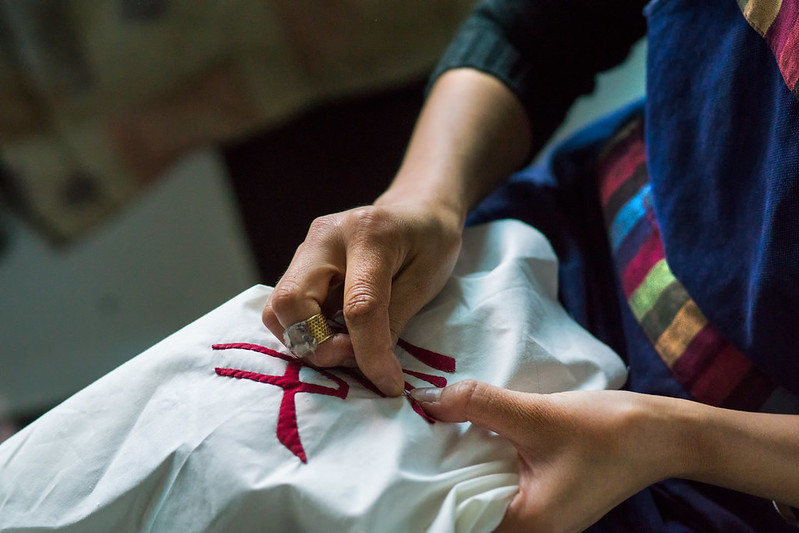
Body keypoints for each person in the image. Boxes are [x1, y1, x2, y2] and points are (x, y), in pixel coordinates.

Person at [262, 0, 799, 531]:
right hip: (555, 230)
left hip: (735, 472)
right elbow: (542, 26)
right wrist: (423, 200)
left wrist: (677, 438)